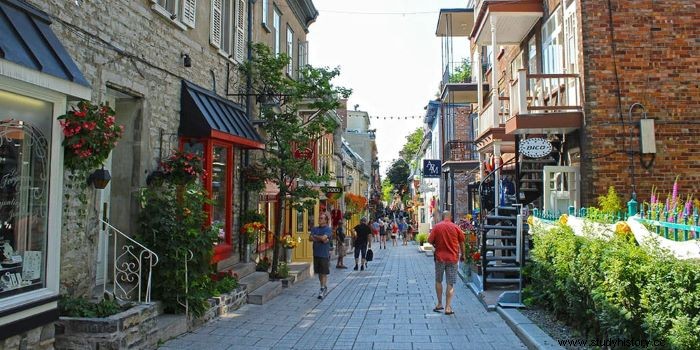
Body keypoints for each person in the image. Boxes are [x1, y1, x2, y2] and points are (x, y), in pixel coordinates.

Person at [428, 211, 465, 315]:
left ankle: (439, 304)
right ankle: (448, 307)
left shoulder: (437, 227)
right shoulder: (456, 227)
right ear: (451, 217)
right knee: (450, 282)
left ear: (442, 217)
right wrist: (463, 255)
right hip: (453, 258)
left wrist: (436, 243)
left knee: (438, 280)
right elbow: (462, 242)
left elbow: (430, 240)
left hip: (440, 258)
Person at [309, 212, 332, 299]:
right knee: (319, 272)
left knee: (324, 272)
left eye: (321, 218)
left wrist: (316, 237)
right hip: (316, 253)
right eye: (319, 218)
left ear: (326, 221)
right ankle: (324, 286)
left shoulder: (328, 229)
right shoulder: (315, 228)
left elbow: (323, 238)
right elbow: (310, 238)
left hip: (324, 254)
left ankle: (322, 288)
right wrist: (321, 238)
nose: (319, 219)